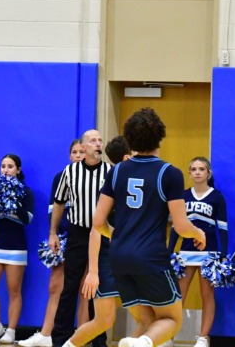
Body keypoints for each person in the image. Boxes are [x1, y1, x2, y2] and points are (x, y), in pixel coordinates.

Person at [91, 107, 206, 347]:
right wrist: (198, 233)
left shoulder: (116, 171)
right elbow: (181, 226)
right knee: (171, 320)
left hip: (118, 257)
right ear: (160, 136)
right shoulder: (169, 173)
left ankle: (139, 341)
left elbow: (98, 222)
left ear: (129, 138)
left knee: (147, 321)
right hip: (150, 258)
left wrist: (117, 236)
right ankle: (142, 342)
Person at [60, 135, 151, 347]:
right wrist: (93, 271)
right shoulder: (112, 184)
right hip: (109, 256)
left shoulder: (142, 180)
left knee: (147, 319)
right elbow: (97, 227)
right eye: (138, 153)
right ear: (128, 157)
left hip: (131, 257)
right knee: (104, 320)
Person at [19, 140, 87, 347]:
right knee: (55, 286)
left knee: (85, 289)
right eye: (74, 152)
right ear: (69, 156)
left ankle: (82, 338)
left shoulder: (95, 177)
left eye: (82, 152)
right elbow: (53, 209)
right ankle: (46, 334)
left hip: (86, 239)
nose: (78, 155)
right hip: (65, 239)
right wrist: (54, 234)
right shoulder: (61, 177)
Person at [49, 130, 112, 347]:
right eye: (93, 141)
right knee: (70, 287)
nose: (98, 143)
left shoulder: (110, 171)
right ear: (83, 147)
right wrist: (53, 232)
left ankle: (99, 340)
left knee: (99, 288)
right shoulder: (70, 171)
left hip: (103, 235)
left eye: (100, 140)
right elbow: (59, 203)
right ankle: (60, 339)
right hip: (78, 233)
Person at [168, 157, 227, 347]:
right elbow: (176, 227)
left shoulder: (216, 197)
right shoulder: (183, 196)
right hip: (186, 252)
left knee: (207, 295)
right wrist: (170, 251)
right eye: (194, 169)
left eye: (201, 169)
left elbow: (223, 228)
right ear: (190, 173)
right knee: (178, 295)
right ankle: (168, 335)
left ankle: (202, 338)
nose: (197, 172)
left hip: (209, 253)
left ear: (208, 173)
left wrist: (223, 254)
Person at [0, 154, 35, 344]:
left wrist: (12, 198)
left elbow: (27, 219)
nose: (6, 170)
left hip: (15, 248)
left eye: (10, 166)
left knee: (14, 291)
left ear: (18, 170)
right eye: (3, 166)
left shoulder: (26, 192)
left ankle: (11, 330)